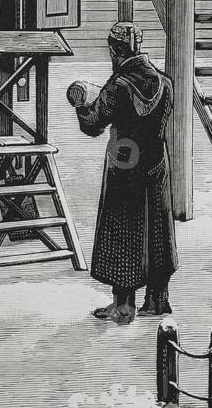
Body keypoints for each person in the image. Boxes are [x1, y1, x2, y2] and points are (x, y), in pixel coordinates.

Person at [68, 22, 177, 324]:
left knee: (122, 230)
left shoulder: (118, 85)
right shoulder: (165, 84)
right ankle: (158, 300)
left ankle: (124, 307)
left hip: (125, 161)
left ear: (115, 50)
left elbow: (93, 124)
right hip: (156, 161)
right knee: (157, 228)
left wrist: (79, 103)